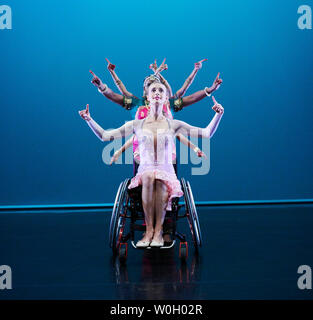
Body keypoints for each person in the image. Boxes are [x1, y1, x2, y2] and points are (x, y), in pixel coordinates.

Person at [78, 82, 224, 248]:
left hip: (166, 172)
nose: (157, 92)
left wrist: (218, 115)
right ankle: (149, 231)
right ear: (147, 97)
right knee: (149, 175)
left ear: (165, 98)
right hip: (145, 172)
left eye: (161, 90)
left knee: (158, 176)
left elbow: (206, 133)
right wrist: (89, 119)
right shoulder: (137, 124)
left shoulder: (173, 124)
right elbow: (105, 136)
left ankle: (159, 231)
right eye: (153, 90)